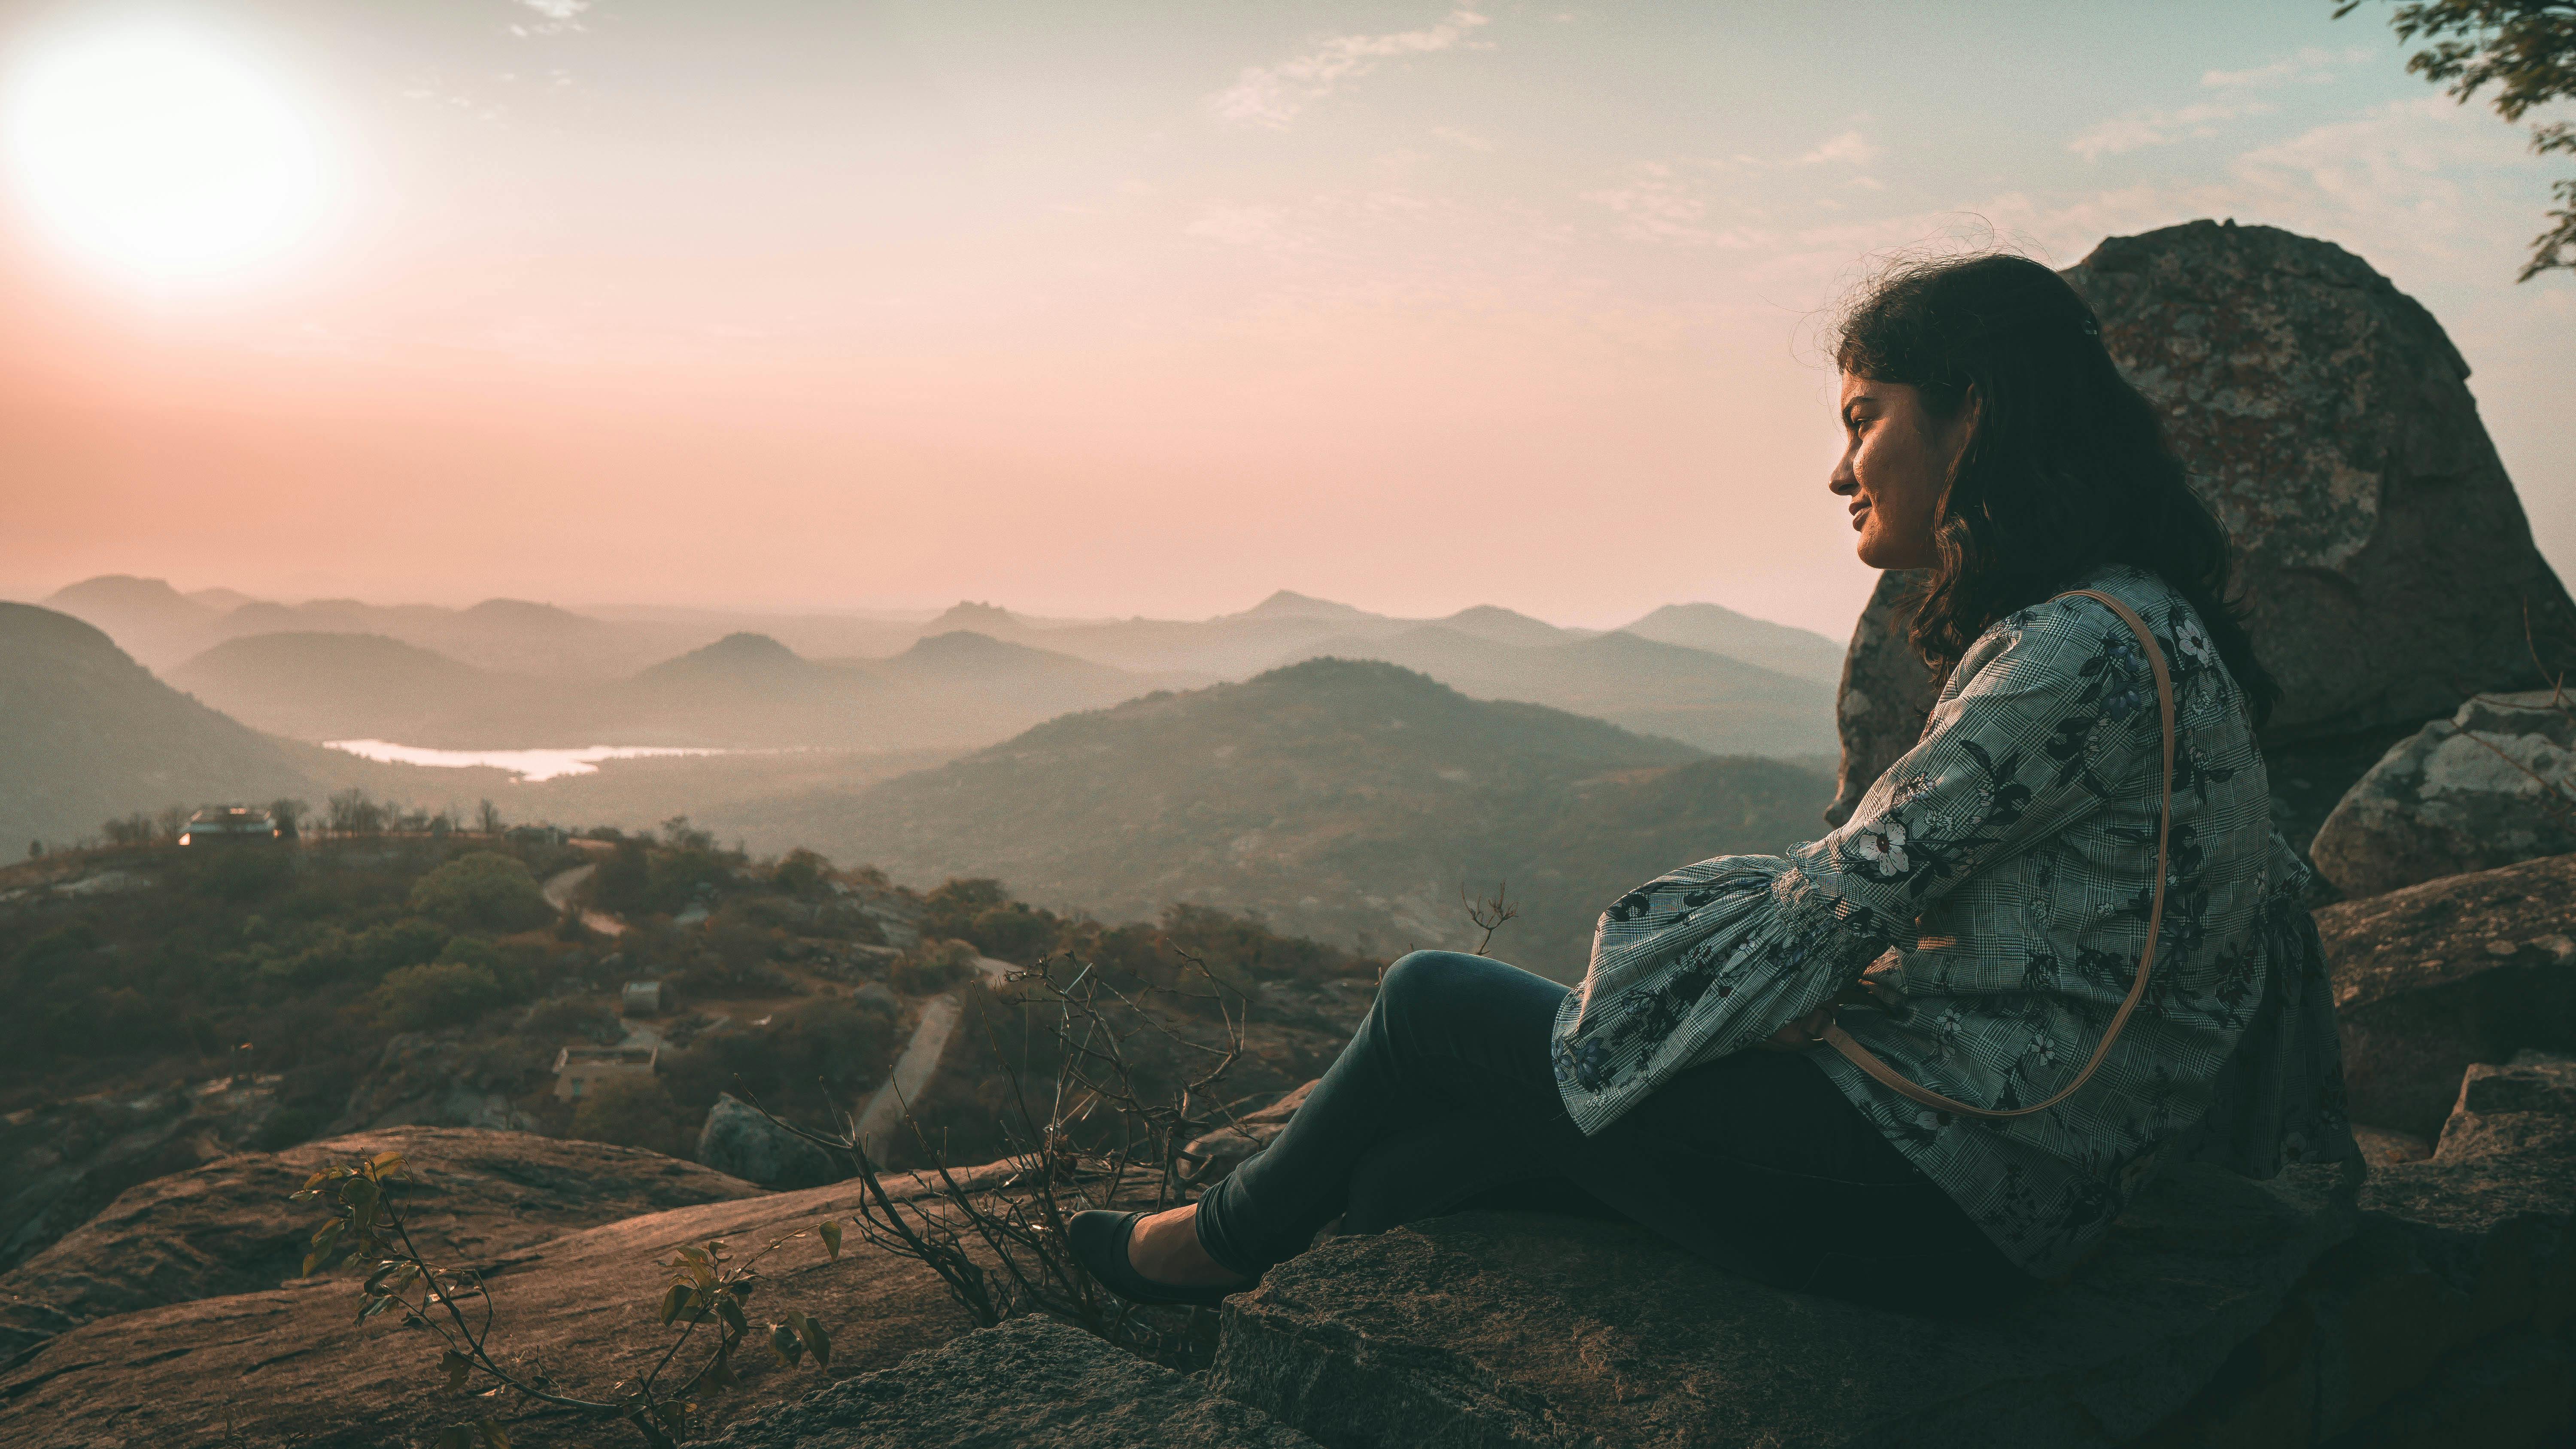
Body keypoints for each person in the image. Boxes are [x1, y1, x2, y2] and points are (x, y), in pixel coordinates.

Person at [1067, 253, 2354, 1314]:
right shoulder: (2147, 619)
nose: (1842, 472)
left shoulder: (2073, 652)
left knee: (1430, 1006)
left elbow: (1835, 900)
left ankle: (1207, 1247)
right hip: (2024, 1174)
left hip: (1959, 1192)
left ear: (1974, 412)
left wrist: (1683, 996)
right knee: (1410, 1172)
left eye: (1864, 420)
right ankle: (1291, 1239)